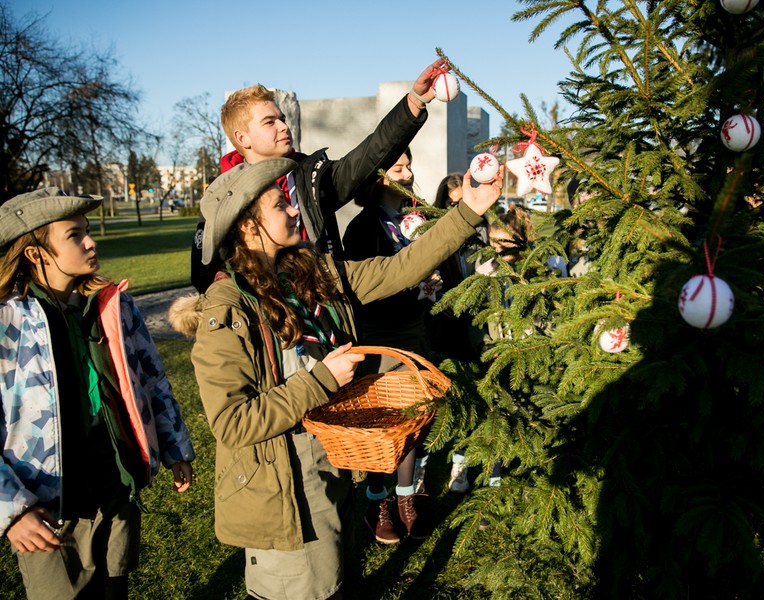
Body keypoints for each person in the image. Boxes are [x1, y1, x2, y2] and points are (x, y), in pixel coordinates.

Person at [169, 157, 502, 599]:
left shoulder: (310, 273)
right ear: (248, 228)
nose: (293, 210)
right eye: (279, 204)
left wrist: (468, 212)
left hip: (333, 471)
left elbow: (399, 268)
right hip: (283, 494)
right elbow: (232, 423)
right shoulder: (228, 310)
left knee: (337, 583)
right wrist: (322, 378)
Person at [0, 188, 195, 600]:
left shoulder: (113, 304)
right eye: (74, 235)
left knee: (114, 588)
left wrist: (175, 445)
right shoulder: (6, 322)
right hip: (47, 505)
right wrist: (11, 510)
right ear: (36, 253)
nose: (90, 242)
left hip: (114, 482)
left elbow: (152, 377)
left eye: (88, 231)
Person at [190, 59, 446, 293]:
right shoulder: (221, 195)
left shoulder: (313, 177)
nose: (283, 126)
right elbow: (204, 270)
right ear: (241, 138)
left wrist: (413, 103)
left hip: (325, 308)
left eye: (282, 118)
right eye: (270, 122)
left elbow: (369, 155)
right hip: (271, 316)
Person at [341, 149, 442, 544]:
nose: (410, 172)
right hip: (380, 335)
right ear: (379, 176)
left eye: (410, 163)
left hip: (414, 329)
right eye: (399, 167)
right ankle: (377, 502)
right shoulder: (364, 227)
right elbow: (364, 289)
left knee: (413, 418)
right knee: (382, 423)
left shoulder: (413, 219)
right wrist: (410, 288)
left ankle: (406, 500)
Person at [427, 173, 489, 494]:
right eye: (452, 205)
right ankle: (425, 466)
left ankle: (460, 465)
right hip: (444, 326)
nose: (460, 213)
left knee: (473, 393)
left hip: (475, 325)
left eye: (464, 204)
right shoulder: (435, 236)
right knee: (445, 397)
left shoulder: (483, 233)